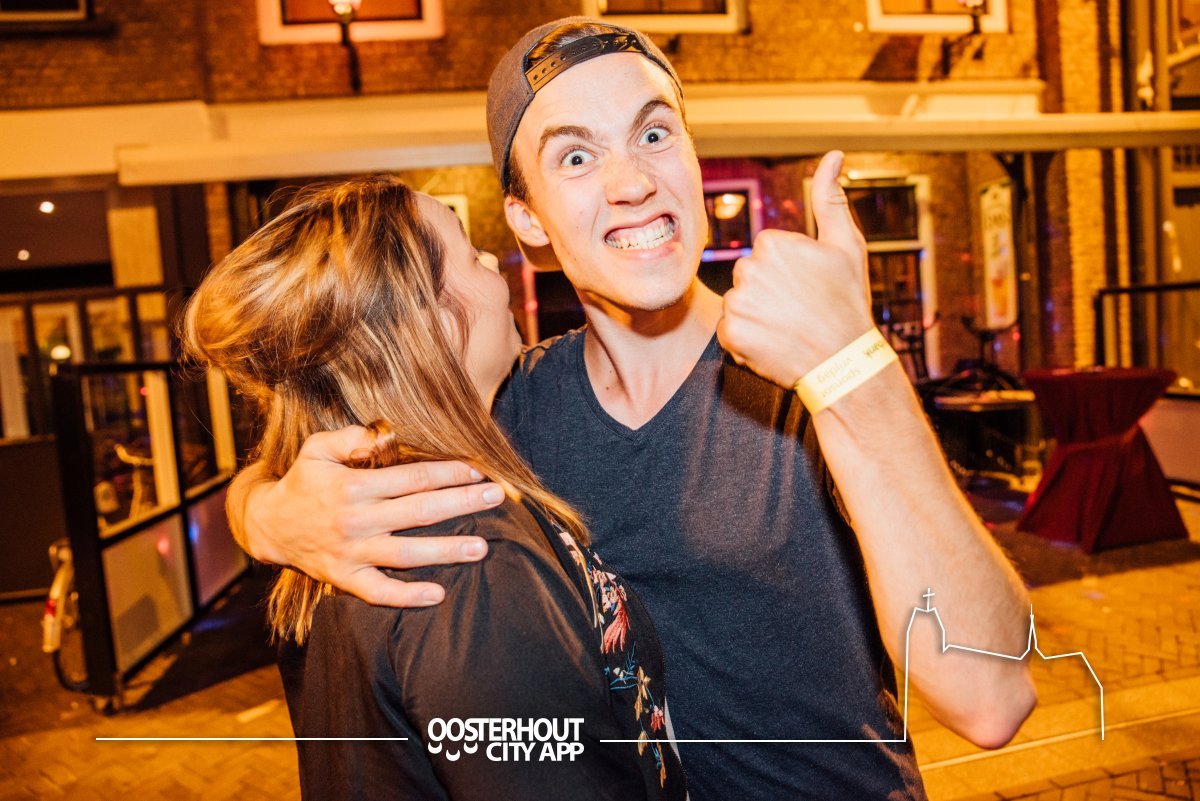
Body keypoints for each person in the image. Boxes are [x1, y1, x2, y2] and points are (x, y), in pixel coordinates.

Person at [227, 18, 1037, 800]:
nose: (632, 182)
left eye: (654, 134)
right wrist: (265, 512)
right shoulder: (507, 410)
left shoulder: (811, 381)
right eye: (577, 156)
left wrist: (856, 364)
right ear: (528, 219)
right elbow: (311, 443)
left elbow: (991, 694)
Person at [181, 176, 687, 800]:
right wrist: (255, 509)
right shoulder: (464, 556)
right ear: (427, 324)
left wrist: (255, 509)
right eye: (470, 254)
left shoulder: (357, 513)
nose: (493, 264)